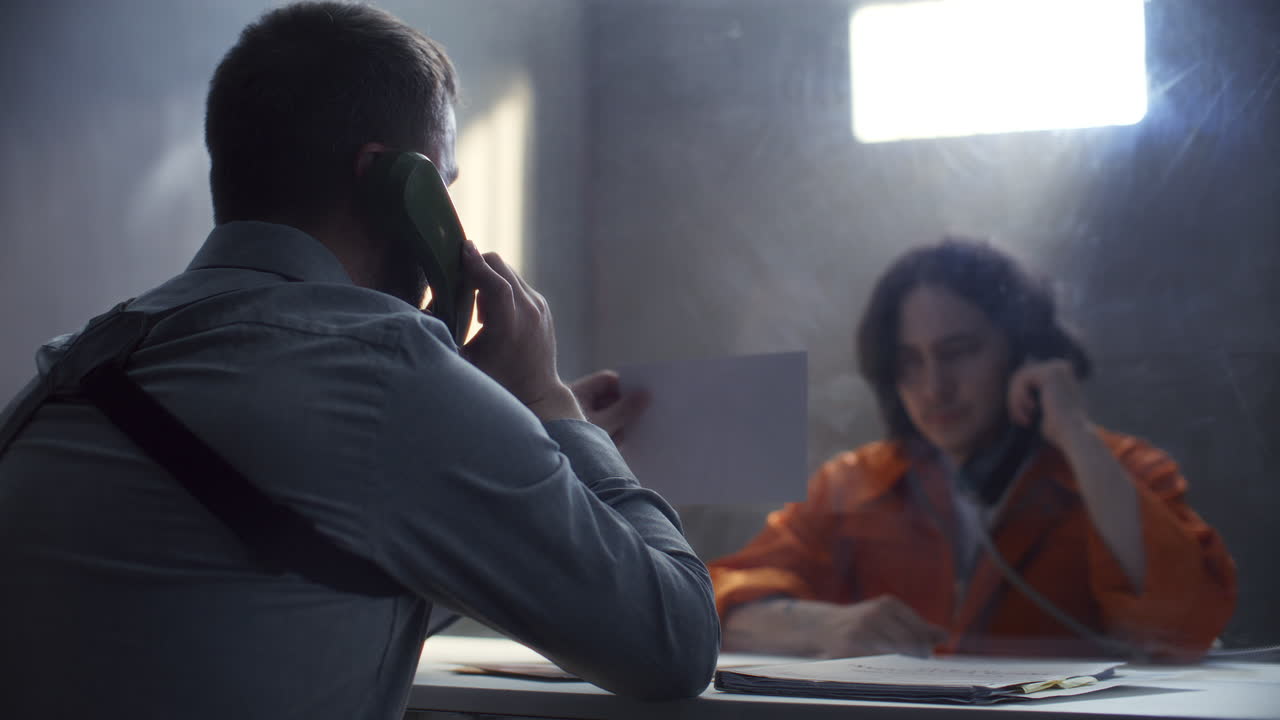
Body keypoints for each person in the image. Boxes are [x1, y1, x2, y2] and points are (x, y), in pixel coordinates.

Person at [0, 4, 718, 718]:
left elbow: (312, 586)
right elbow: (675, 645)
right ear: (391, 182)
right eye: (445, 182)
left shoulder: (78, 363)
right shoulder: (386, 372)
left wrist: (526, 468)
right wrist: (549, 409)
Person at [708, 238, 1236, 662]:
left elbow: (1184, 624)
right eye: (909, 362)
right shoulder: (855, 482)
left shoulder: (1120, 471)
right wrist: (818, 625)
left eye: (958, 353)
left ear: (1022, 348)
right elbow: (712, 594)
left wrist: (1075, 434)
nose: (933, 388)